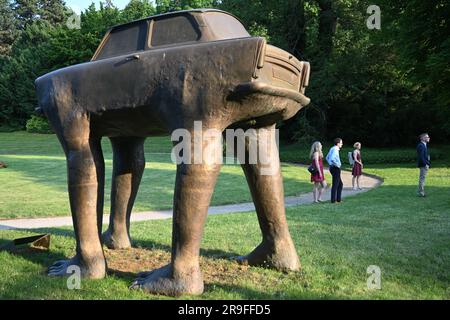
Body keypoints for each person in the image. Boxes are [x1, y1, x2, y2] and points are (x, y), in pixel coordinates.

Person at [326, 138, 344, 203]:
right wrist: (337, 165)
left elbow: (327, 158)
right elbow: (332, 159)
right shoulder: (335, 149)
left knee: (340, 184)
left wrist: (330, 164)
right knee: (335, 184)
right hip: (336, 168)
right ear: (338, 143)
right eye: (341, 143)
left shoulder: (332, 148)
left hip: (332, 167)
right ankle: (333, 200)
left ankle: (338, 200)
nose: (342, 144)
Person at [417, 133, 431, 197]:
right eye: (427, 137)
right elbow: (421, 156)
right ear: (422, 138)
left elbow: (425, 155)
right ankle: (421, 193)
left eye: (428, 137)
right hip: (423, 165)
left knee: (422, 178)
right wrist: (425, 164)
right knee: (422, 178)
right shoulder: (421, 145)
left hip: (425, 164)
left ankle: (421, 192)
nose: (428, 138)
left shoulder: (424, 145)